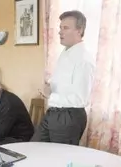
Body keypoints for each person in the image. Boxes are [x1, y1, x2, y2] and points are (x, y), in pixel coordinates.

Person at [31, 10, 95, 145]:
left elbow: (80, 99)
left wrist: (50, 96)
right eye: (60, 28)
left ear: (79, 30)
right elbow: (65, 84)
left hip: (69, 117)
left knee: (59, 159)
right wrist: (50, 86)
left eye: (65, 28)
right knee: (34, 148)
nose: (60, 32)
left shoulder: (83, 59)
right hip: (54, 113)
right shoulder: (66, 52)